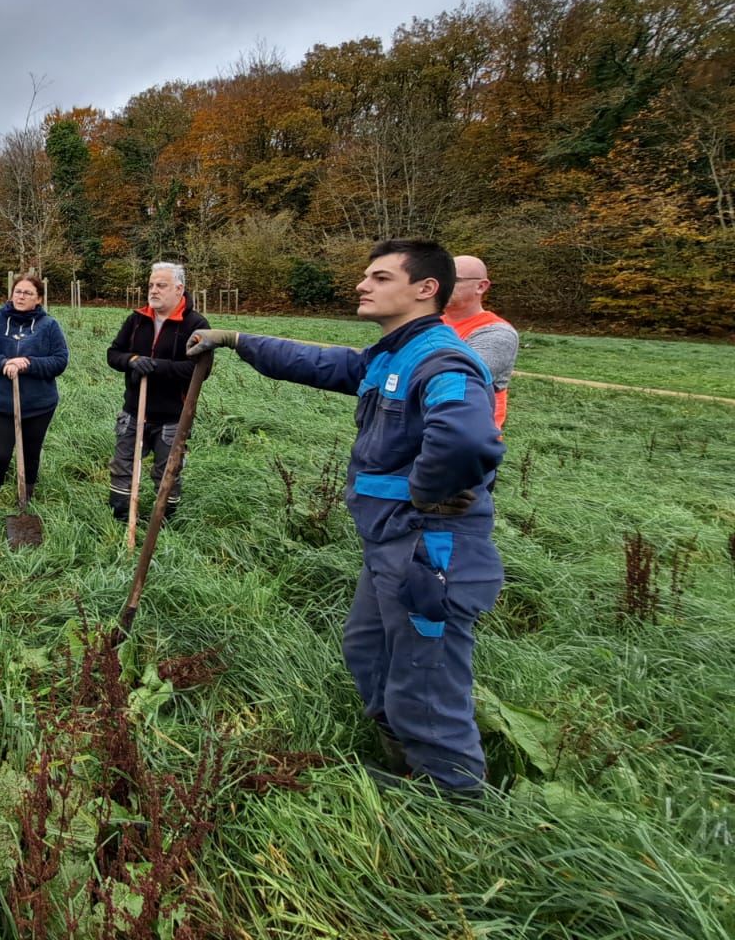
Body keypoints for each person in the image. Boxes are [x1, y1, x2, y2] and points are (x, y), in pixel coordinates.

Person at [187, 239, 505, 796]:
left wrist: (428, 491)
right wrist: (238, 341)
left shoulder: (443, 359)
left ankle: (453, 798)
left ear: (426, 289)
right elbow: (323, 362)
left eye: (380, 277)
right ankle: (405, 755)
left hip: (429, 550)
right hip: (392, 545)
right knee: (368, 646)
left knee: (425, 677)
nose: (363, 284)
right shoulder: (391, 354)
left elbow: (467, 436)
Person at [105, 262, 211, 524]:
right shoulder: (137, 320)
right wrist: (132, 361)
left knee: (168, 471)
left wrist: (158, 367)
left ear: (179, 289)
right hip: (133, 412)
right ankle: (120, 515)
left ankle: (165, 520)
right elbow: (113, 354)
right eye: (151, 285)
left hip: (173, 416)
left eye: (160, 285)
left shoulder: (195, 325)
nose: (153, 290)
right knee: (123, 466)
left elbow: (200, 369)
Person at [0, 274, 70, 503]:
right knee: (0, 453)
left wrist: (28, 363)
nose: (21, 296)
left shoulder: (49, 326)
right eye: (18, 291)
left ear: (39, 299)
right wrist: (3, 363)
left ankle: (24, 498)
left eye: (28, 293)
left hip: (39, 404)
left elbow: (60, 361)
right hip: (2, 402)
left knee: (30, 453)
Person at [442, 255, 518, 430]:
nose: (442, 285)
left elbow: (457, 380)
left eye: (453, 279)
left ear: (481, 286)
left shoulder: (497, 333)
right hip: (428, 433)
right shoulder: (431, 323)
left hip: (466, 439)